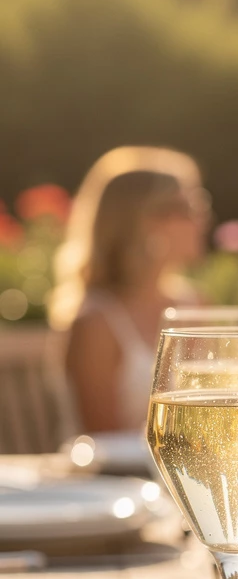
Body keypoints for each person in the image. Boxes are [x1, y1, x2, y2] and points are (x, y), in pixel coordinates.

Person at [50, 147, 208, 433]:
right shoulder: (96, 322)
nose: (201, 219)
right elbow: (103, 441)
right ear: (143, 221)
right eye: (187, 209)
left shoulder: (196, 303)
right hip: (111, 476)